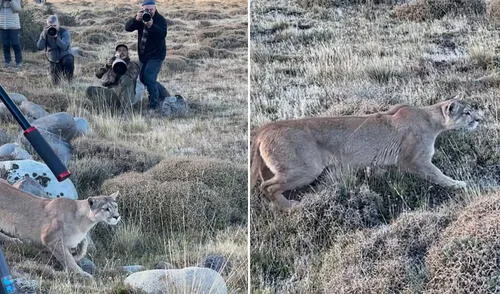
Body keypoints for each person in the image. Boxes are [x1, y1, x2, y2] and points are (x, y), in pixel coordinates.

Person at [125, 0, 169, 110]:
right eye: (147, 9)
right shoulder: (141, 17)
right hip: (144, 55)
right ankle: (164, 95)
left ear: (155, 8)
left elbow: (162, 34)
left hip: (156, 55)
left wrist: (151, 25)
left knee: (149, 77)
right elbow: (127, 28)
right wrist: (135, 19)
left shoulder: (160, 20)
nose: (149, 12)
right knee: (144, 79)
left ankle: (154, 105)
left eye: (151, 9)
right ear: (143, 8)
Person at [85, 44, 142, 111]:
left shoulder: (133, 64)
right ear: (115, 53)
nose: (122, 52)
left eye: (124, 50)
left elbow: (131, 77)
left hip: (126, 94)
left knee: (125, 79)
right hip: (112, 93)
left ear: (127, 53)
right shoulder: (111, 65)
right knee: (89, 90)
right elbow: (98, 75)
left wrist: (121, 64)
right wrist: (109, 64)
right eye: (119, 50)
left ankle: (124, 110)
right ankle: (104, 108)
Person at [36, 15, 74, 85]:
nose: (53, 27)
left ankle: (69, 81)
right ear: (47, 25)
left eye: (55, 25)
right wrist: (43, 37)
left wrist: (56, 38)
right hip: (53, 60)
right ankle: (54, 75)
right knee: (55, 83)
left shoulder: (64, 32)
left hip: (65, 57)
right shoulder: (45, 33)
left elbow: (64, 47)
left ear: (58, 24)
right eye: (50, 26)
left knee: (69, 59)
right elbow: (39, 47)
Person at [0, 0, 22, 68]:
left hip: (13, 25)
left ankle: (19, 62)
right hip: (2, 25)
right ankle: (7, 61)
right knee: (5, 44)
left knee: (15, 44)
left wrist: (10, 1)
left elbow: (18, 9)